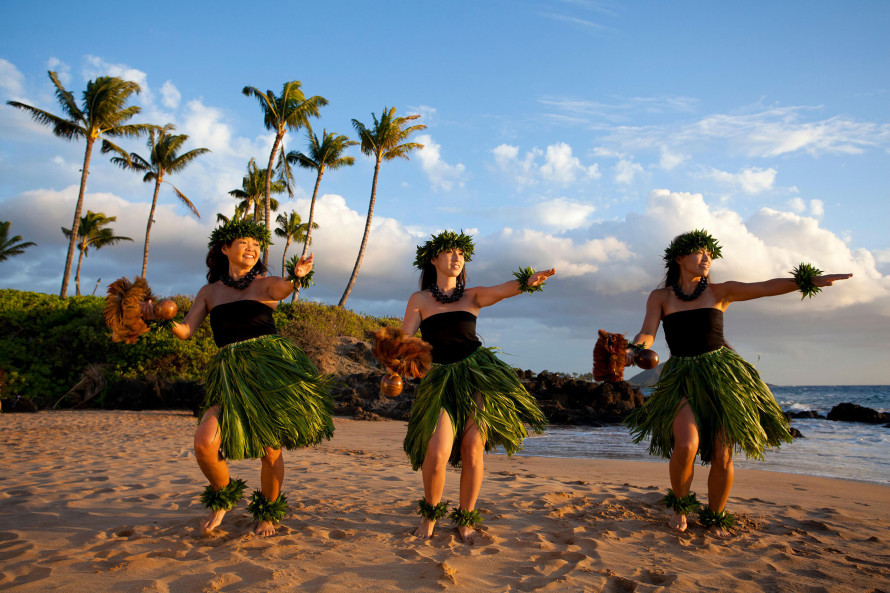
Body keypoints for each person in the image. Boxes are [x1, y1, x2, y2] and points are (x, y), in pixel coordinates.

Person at [624, 229, 852, 536]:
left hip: (722, 376)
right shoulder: (660, 297)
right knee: (686, 445)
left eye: (709, 254)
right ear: (679, 258)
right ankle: (680, 505)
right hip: (682, 376)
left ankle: (715, 515)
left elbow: (765, 287)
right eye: (699, 253)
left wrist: (807, 280)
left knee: (722, 452)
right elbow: (647, 332)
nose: (706, 258)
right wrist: (634, 349)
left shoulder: (721, 292)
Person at [144, 219, 333, 537]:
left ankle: (268, 514)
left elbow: (283, 289)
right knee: (205, 442)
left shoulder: (265, 283)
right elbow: (186, 331)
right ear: (224, 249)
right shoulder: (210, 292)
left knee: (270, 450)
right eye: (244, 242)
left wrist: (296, 276)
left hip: (268, 370)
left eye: (257, 245)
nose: (251, 248)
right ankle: (223, 496)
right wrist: (162, 318)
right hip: (229, 375)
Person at [399, 230, 555, 543]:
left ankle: (465, 518)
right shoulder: (419, 300)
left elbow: (503, 290)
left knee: (472, 449)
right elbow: (405, 340)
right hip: (440, 379)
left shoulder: (473, 296)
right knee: (437, 451)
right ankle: (430, 517)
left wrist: (527, 282)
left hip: (476, 376)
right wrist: (396, 364)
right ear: (433, 259)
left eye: (461, 254)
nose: (457, 258)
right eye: (450, 253)